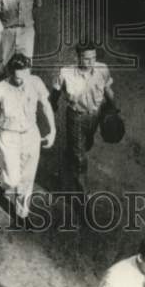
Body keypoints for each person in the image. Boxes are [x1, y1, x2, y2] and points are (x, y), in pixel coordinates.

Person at [0, 54, 55, 226]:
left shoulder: (35, 82)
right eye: (16, 77)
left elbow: (46, 105)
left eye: (23, 75)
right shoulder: (0, 89)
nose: (20, 80)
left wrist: (52, 130)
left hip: (31, 134)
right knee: (13, 180)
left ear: (28, 71)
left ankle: (22, 214)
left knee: (27, 178)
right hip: (8, 136)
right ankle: (2, 178)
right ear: (10, 73)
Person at [50, 41, 115, 198]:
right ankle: (83, 194)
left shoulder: (102, 69)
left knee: (86, 144)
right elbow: (55, 94)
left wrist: (114, 109)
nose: (91, 62)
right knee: (80, 158)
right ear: (78, 57)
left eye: (93, 57)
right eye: (86, 58)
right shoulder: (65, 73)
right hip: (76, 117)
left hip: (95, 116)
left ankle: (66, 164)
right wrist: (51, 107)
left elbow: (108, 90)